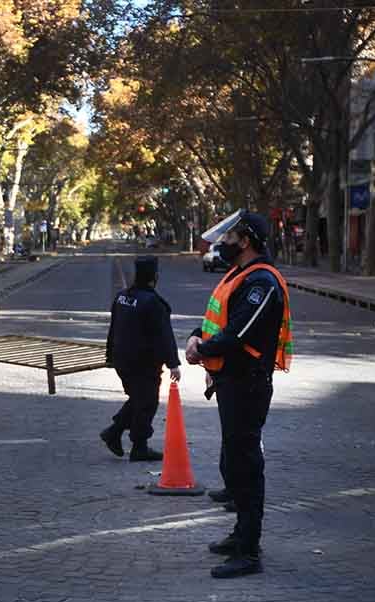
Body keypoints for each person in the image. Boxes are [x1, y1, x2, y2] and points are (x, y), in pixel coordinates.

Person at [184, 210, 293, 579]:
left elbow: (238, 332)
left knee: (247, 467)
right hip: (230, 381)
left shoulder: (262, 282)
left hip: (247, 383)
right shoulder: (239, 275)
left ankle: (249, 550)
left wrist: (202, 349)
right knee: (234, 463)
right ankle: (240, 534)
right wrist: (195, 335)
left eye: (229, 237)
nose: (222, 243)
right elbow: (218, 319)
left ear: (245, 242)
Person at [101, 256, 181, 462]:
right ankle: (138, 446)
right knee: (147, 402)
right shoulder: (154, 303)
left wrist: (109, 356)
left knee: (139, 399)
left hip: (122, 361)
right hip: (143, 364)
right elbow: (164, 336)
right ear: (154, 277)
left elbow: (113, 330)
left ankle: (114, 432)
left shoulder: (121, 298)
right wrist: (173, 364)